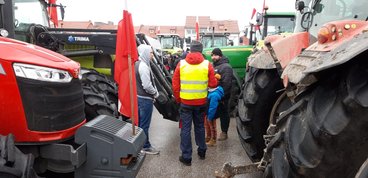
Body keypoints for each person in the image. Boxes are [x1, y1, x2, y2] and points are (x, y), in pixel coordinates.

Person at [172, 41, 218, 166]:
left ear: (190, 50)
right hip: (201, 102)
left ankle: (186, 157)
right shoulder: (207, 64)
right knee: (199, 127)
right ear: (201, 50)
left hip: (185, 103)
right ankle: (202, 151)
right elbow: (213, 84)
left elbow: (175, 86)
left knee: (186, 129)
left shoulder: (181, 64)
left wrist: (178, 99)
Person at [135, 44, 160, 155]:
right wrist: (155, 93)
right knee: (144, 124)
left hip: (140, 98)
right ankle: (145, 147)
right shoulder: (144, 66)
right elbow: (147, 85)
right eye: (150, 53)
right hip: (145, 99)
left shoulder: (137, 64)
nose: (152, 55)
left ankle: (141, 144)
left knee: (141, 123)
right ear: (144, 53)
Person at [211, 48, 233, 141]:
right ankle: (212, 134)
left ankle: (224, 132)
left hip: (222, 96)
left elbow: (227, 83)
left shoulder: (226, 67)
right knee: (212, 114)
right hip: (213, 95)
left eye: (215, 55)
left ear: (220, 55)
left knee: (224, 114)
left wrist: (222, 96)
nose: (213, 57)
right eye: (212, 55)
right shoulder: (213, 66)